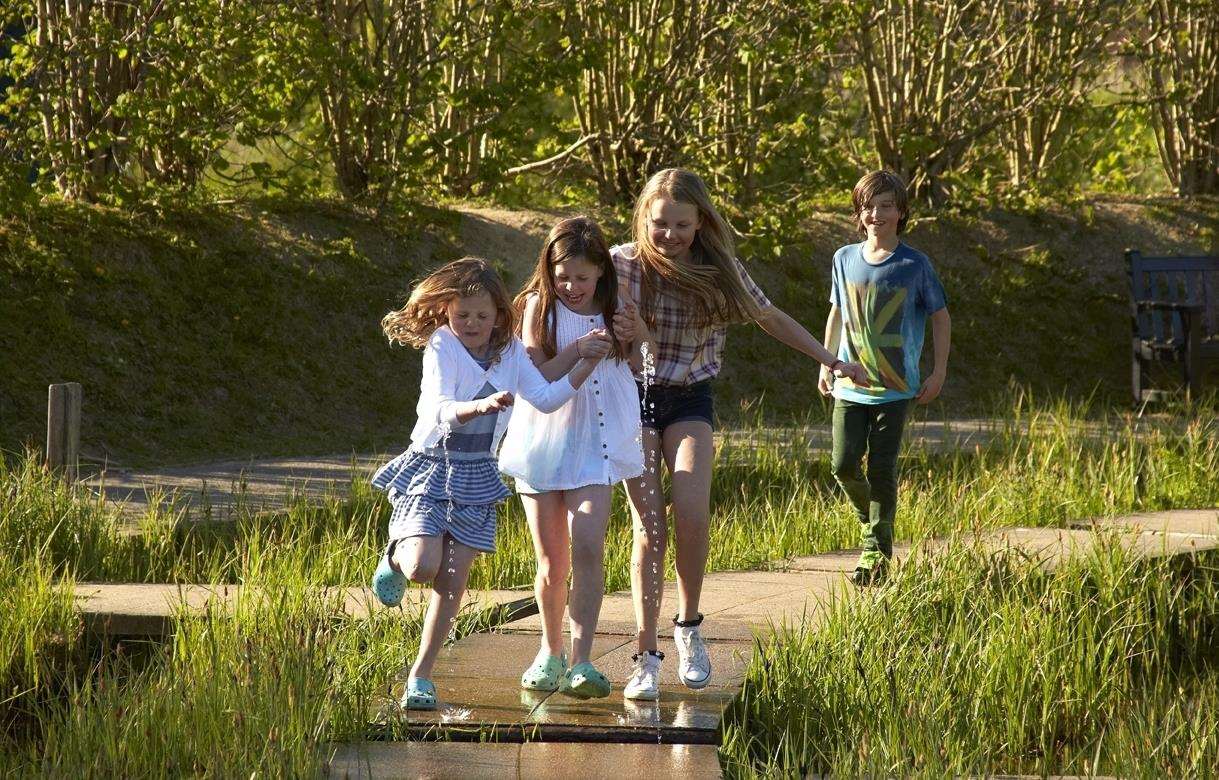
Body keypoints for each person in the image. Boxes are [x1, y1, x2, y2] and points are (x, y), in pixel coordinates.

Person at [611, 168, 869, 701]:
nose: (669, 236)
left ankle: (688, 627)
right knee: (648, 527)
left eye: (682, 225)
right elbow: (558, 294)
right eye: (660, 224)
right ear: (645, 219)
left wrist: (831, 359)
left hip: (689, 400)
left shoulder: (720, 271)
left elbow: (769, 317)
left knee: (692, 508)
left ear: (701, 222)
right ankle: (645, 653)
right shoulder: (621, 265)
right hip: (629, 400)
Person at [368, 256, 611, 710]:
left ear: (501, 315)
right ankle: (394, 559)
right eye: (462, 315)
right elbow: (440, 408)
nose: (471, 323)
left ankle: (420, 676)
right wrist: (477, 408)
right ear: (446, 313)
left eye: (482, 316)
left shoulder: (510, 352)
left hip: (478, 473)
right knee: (423, 566)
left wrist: (584, 361)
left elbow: (545, 396)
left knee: (453, 579)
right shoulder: (443, 345)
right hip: (431, 464)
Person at [500, 217, 653, 699]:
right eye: (563, 276)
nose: (572, 287)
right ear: (549, 270)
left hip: (597, 441)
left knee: (588, 543)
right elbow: (536, 371)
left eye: (582, 278)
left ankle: (583, 658)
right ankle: (549, 651)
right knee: (552, 560)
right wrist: (579, 351)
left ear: (601, 274)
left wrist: (636, 332)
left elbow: (640, 359)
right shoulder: (536, 309)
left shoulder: (616, 306)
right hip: (543, 441)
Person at [818, 170, 951, 587]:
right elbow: (837, 312)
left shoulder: (915, 265)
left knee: (881, 467)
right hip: (849, 385)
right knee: (842, 465)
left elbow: (941, 317)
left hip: (896, 389)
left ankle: (875, 551)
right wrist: (825, 361)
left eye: (886, 205)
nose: (876, 213)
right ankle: (874, 524)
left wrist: (939, 370)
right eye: (868, 206)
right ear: (859, 212)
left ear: (901, 211)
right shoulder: (844, 258)